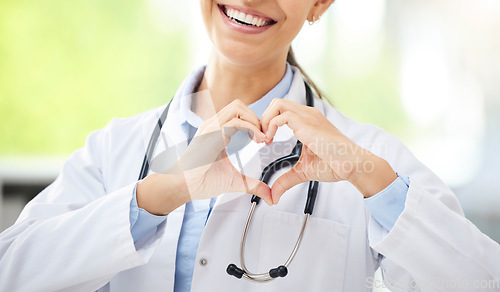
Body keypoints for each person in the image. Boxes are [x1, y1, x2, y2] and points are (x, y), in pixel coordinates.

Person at [1, 0, 499, 291]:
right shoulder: (117, 149)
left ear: (320, 3)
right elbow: (12, 271)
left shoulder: (366, 156)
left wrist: (366, 174)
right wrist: (155, 197)